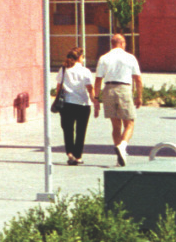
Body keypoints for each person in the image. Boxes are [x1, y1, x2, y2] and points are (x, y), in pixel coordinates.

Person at [94, 33, 141, 166]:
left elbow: (98, 80)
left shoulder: (104, 58)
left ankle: (119, 158)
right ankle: (123, 146)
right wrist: (139, 96)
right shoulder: (130, 57)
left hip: (108, 90)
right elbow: (138, 78)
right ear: (122, 43)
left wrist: (96, 98)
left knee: (115, 126)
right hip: (124, 89)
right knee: (130, 123)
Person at [52, 48, 95, 165]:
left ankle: (70, 153)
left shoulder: (64, 69)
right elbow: (90, 88)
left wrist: (57, 99)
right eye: (83, 56)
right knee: (81, 131)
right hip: (83, 104)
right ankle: (78, 156)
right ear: (80, 57)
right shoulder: (85, 71)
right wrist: (94, 100)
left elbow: (58, 86)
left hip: (67, 103)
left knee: (68, 130)